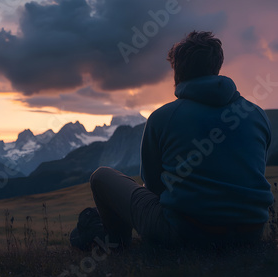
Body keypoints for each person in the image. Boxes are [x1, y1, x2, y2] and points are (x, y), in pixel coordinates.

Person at [90, 31, 274, 247]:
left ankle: (116, 245)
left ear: (177, 71)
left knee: (100, 177)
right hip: (250, 234)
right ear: (216, 67)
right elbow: (254, 172)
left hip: (185, 234)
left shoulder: (162, 118)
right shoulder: (256, 114)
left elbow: (153, 187)